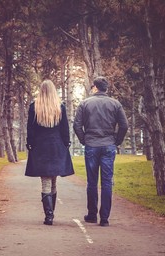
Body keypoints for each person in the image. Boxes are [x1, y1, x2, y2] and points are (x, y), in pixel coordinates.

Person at [73, 76, 128, 227]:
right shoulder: (115, 104)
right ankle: (104, 218)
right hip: (108, 145)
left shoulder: (85, 103)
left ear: (95, 88)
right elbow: (124, 125)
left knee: (92, 182)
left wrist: (84, 140)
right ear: (106, 89)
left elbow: (77, 125)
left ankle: (92, 215)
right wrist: (116, 141)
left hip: (91, 145)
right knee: (106, 182)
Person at [25, 79, 74, 225]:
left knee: (45, 181)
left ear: (41, 90)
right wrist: (66, 143)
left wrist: (30, 144)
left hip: (41, 147)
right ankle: (51, 214)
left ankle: (49, 216)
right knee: (53, 180)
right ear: (53, 91)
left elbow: (30, 129)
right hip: (57, 146)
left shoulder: (34, 107)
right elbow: (65, 128)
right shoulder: (60, 107)